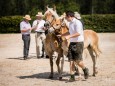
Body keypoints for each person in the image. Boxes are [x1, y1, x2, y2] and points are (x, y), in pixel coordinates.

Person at [62, 11, 89, 81]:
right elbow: (70, 32)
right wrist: (63, 35)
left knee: (78, 61)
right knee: (71, 61)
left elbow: (78, 33)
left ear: (69, 16)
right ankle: (72, 77)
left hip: (78, 43)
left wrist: (69, 36)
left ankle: (85, 69)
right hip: (72, 43)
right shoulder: (70, 23)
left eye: (66, 17)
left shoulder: (77, 23)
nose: (65, 19)